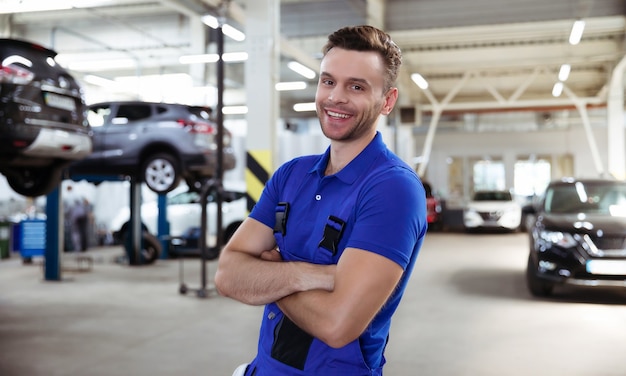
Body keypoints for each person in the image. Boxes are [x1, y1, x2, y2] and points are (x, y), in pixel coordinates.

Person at [215, 25, 427, 376]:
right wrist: (313, 276)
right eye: (328, 81)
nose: (335, 97)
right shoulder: (290, 175)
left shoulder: (393, 189)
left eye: (356, 86)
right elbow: (227, 274)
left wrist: (270, 276)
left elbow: (337, 325)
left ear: (387, 101)